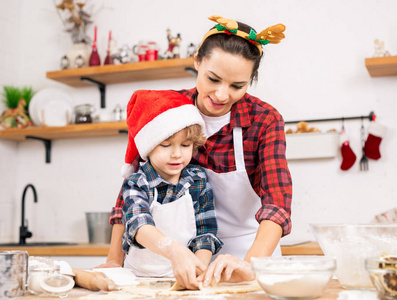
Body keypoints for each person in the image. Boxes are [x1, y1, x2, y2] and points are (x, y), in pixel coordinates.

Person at [101, 15, 292, 287]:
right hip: (180, 260)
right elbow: (131, 189)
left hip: (251, 254)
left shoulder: (264, 120)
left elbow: (277, 202)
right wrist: (113, 261)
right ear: (197, 61)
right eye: (213, 79)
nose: (222, 95)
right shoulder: (166, 110)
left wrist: (250, 265)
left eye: (237, 86)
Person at [119, 90, 223, 289]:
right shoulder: (137, 183)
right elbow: (139, 226)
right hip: (138, 281)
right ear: (148, 147)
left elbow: (206, 233)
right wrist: (175, 251)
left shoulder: (197, 180)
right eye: (166, 145)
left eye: (185, 145)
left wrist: (197, 270)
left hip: (183, 279)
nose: (177, 154)